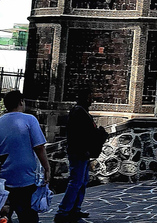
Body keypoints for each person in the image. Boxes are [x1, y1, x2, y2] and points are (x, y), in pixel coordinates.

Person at [54, 87, 107, 223]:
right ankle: (63, 211)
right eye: (89, 97)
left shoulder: (82, 112)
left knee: (82, 181)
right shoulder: (79, 112)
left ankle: (74, 209)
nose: (91, 100)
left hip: (82, 153)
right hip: (78, 153)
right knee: (75, 182)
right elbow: (80, 135)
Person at [0, 90, 50, 223]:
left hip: (4, 178)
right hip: (25, 177)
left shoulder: (0, 121)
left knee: (4, 215)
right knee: (28, 215)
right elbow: (39, 147)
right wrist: (46, 168)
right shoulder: (29, 119)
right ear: (21, 102)